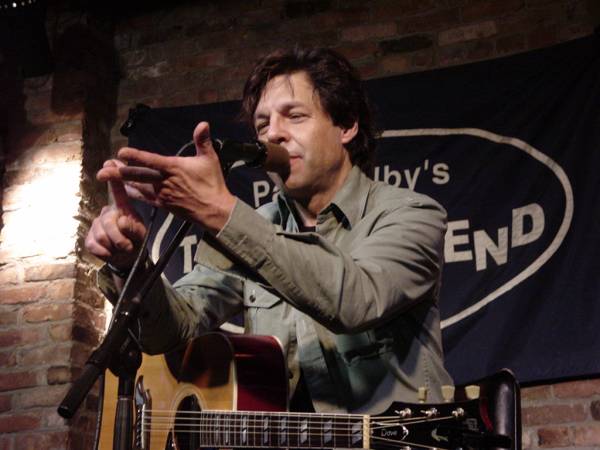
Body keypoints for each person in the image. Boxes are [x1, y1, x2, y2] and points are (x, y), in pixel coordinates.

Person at [85, 47, 453, 414]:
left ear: (346, 126)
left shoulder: (412, 214)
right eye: (263, 125)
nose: (272, 135)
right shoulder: (250, 225)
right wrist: (129, 263)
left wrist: (221, 212)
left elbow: (354, 301)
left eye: (294, 116)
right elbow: (172, 329)